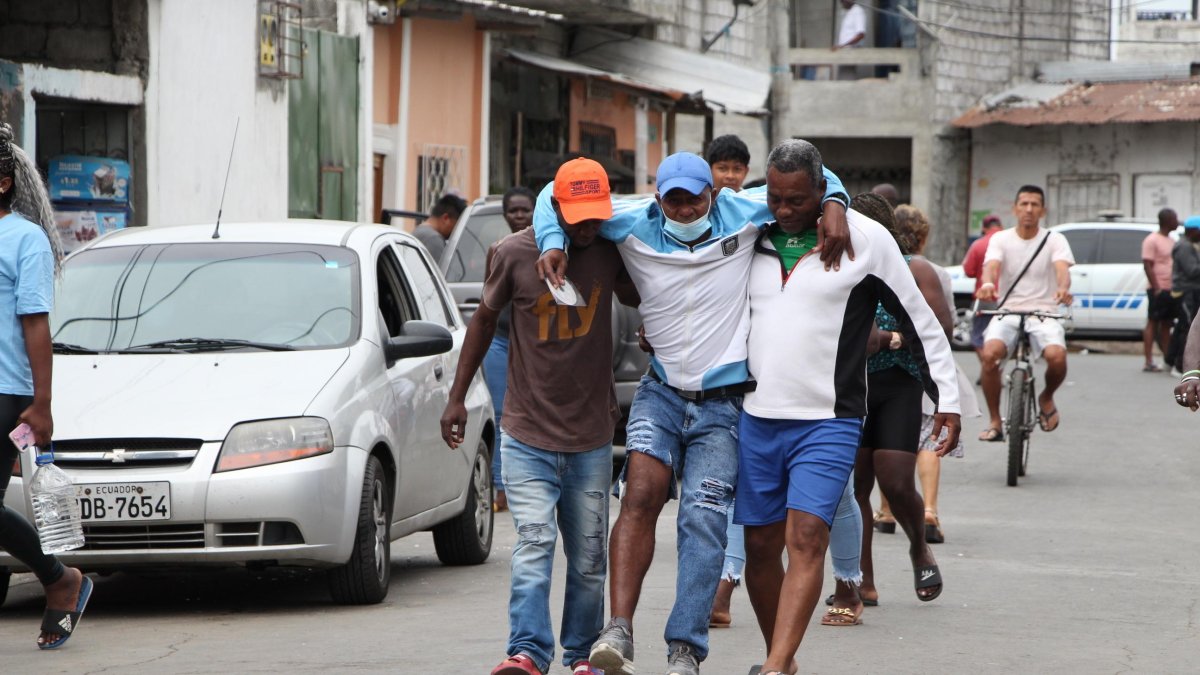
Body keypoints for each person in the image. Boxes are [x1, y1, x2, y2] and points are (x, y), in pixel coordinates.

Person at [533, 151, 852, 675]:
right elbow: (553, 194)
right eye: (674, 201)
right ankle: (619, 629)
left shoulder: (743, 211)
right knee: (639, 494)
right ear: (658, 198)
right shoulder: (631, 220)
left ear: (713, 195)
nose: (684, 211)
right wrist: (551, 241)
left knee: (702, 518)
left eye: (694, 200)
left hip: (724, 406)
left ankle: (685, 648)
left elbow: (818, 172)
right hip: (660, 391)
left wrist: (835, 202)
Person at [739, 140, 960, 675]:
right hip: (756, 415)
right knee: (761, 548)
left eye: (797, 200)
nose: (784, 210)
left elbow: (920, 320)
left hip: (829, 418)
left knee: (805, 537)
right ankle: (781, 658)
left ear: (822, 189)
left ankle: (774, 667)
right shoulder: (746, 225)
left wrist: (947, 400)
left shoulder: (866, 239)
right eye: (775, 198)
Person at [440, 158, 638, 675]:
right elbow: (484, 321)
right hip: (527, 432)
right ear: (556, 207)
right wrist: (457, 397)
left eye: (597, 216)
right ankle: (527, 651)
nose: (588, 226)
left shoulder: (610, 249)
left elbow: (643, 294)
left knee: (589, 557)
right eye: (579, 216)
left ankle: (581, 655)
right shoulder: (513, 252)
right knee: (534, 543)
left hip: (591, 437)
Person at [0, 122, 93, 650]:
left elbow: (36, 324)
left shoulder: (25, 240)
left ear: (3, 183)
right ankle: (59, 578)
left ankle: (59, 579)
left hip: (5, 391)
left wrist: (42, 404)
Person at [977, 185, 1074, 441]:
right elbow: (991, 266)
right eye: (1024, 204)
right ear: (1015, 208)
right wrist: (988, 284)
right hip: (1008, 311)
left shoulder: (1055, 239)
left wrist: (1063, 289)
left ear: (1043, 210)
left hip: (1044, 312)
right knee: (989, 356)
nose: (1029, 209)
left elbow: (1062, 270)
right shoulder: (1000, 239)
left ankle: (1047, 396)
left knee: (1057, 357)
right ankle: (995, 420)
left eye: (1034, 204)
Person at [704, 134, 752, 631]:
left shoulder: (758, 212)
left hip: (755, 369)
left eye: (739, 168)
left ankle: (726, 582)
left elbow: (825, 184)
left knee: (737, 484)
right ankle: (720, 584)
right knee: (718, 487)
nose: (731, 176)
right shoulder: (680, 214)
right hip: (698, 374)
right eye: (724, 168)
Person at [481, 187, 536, 513]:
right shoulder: (498, 250)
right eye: (512, 210)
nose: (518, 215)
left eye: (524, 209)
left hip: (534, 344)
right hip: (500, 342)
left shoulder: (547, 248)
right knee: (501, 413)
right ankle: (501, 489)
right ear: (504, 214)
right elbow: (488, 304)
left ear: (535, 211)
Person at [964, 215, 1005, 365]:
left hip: (985, 298)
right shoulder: (1009, 243)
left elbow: (969, 271)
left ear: (984, 228)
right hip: (1008, 299)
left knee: (978, 337)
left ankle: (988, 368)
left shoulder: (978, 244)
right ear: (1001, 227)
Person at [1142, 209, 1178, 373]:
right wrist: (1156, 287)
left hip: (1171, 288)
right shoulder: (1152, 240)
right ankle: (1148, 361)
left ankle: (1167, 359)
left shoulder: (1172, 240)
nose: (1177, 222)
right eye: (1174, 219)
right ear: (1167, 220)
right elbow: (1147, 265)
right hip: (1158, 289)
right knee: (1153, 322)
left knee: (1167, 323)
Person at [1169, 217, 1200, 375]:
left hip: (1189, 291)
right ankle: (1179, 366)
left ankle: (1169, 361)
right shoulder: (1184, 247)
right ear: (1193, 231)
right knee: (1188, 328)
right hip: (1185, 292)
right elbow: (1192, 270)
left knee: (1181, 327)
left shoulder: (1188, 245)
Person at [412, 192, 467, 261]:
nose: (456, 231)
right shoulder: (433, 239)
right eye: (457, 225)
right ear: (446, 218)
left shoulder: (419, 231)